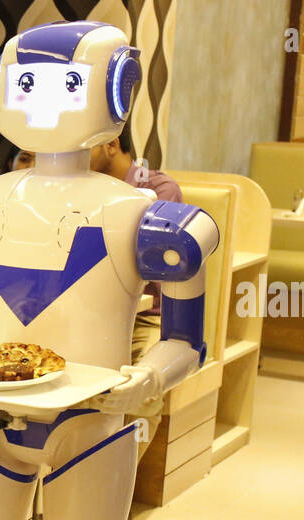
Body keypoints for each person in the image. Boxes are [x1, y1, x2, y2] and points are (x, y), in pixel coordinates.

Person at [89, 127, 184, 476]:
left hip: (148, 315)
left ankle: (116, 492)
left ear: (112, 144)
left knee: (142, 394)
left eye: (86, 147)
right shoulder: (79, 190)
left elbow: (154, 265)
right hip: (93, 314)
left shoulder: (158, 190)